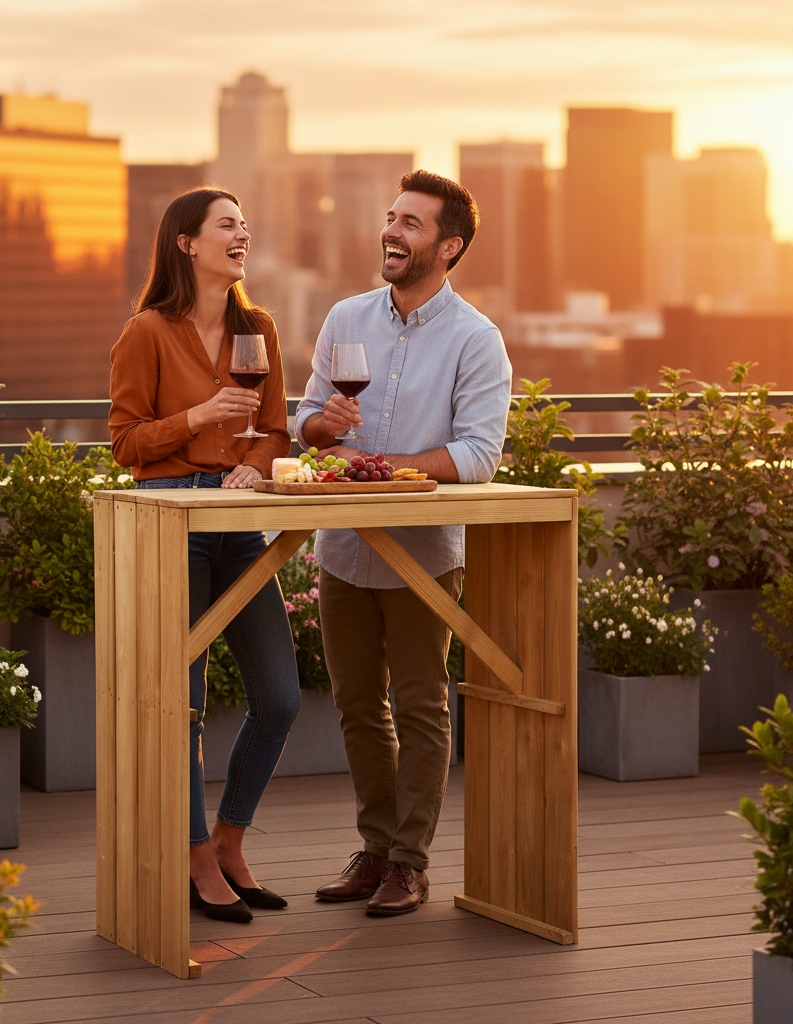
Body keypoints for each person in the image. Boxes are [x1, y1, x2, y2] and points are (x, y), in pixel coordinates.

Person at [295, 170, 511, 916]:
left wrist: (381, 470)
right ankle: (376, 848)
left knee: (420, 704)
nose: (392, 231)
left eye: (411, 224)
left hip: (422, 554)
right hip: (344, 551)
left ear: (448, 247)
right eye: (391, 218)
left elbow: (479, 457)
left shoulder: (476, 340)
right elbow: (306, 424)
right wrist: (323, 429)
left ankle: (411, 863)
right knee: (358, 704)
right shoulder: (345, 318)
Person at [109, 186, 301, 924]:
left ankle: (228, 840)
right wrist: (197, 416)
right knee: (181, 706)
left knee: (280, 697)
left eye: (245, 224)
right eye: (228, 224)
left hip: (239, 521)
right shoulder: (147, 333)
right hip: (173, 522)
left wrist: (255, 462)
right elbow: (125, 443)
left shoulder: (260, 328)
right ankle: (193, 860)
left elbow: (276, 429)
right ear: (187, 242)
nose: (242, 233)